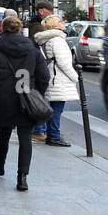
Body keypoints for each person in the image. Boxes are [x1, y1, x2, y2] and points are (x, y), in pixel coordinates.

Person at [0, 15, 50, 192]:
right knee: (25, 138)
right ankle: (22, 177)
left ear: (2, 28)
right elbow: (44, 76)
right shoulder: (32, 49)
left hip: (3, 98)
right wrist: (36, 92)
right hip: (25, 96)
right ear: (19, 28)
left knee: (3, 134)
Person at [33, 13, 78, 147]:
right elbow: (63, 62)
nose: (63, 24)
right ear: (53, 25)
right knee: (57, 109)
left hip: (53, 77)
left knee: (52, 108)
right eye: (60, 22)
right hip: (58, 79)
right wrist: (75, 77)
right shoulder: (57, 40)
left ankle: (50, 133)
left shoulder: (48, 39)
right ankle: (54, 136)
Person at [29, 1, 58, 140]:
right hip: (39, 66)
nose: (52, 13)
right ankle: (39, 130)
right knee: (40, 96)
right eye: (50, 11)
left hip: (37, 65)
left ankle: (40, 130)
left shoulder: (37, 25)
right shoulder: (38, 27)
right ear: (42, 11)